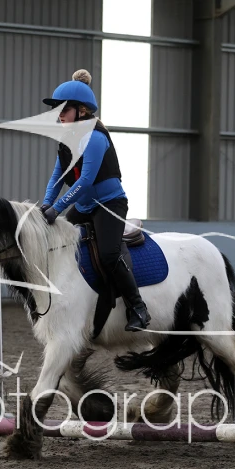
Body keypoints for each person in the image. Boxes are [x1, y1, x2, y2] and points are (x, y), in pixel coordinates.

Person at [40, 69, 151, 332]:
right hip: (84, 206)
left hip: (109, 205)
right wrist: (45, 204)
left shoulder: (95, 137)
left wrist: (57, 208)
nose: (59, 114)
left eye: (64, 109)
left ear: (81, 111)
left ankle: (138, 308)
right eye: (58, 109)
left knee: (109, 254)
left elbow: (86, 180)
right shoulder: (66, 140)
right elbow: (58, 177)